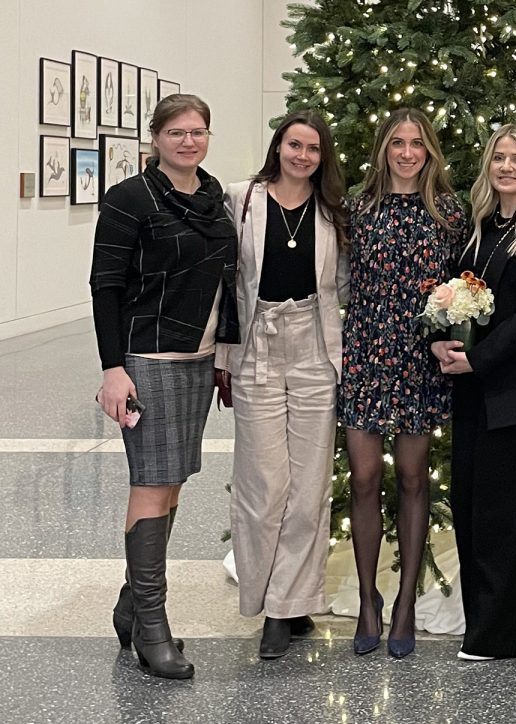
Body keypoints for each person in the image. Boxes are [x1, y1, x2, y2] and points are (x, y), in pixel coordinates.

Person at [90, 94, 237, 679]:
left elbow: (225, 282)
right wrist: (112, 368)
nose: (188, 141)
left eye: (198, 131)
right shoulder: (129, 199)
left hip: (198, 359)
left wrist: (222, 353)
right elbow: (104, 286)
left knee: (173, 482)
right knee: (151, 484)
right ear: (155, 138)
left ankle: (131, 604)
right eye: (176, 132)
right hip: (146, 358)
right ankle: (153, 624)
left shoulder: (212, 195)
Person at [430, 124, 516, 661]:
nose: (506, 167)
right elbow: (451, 295)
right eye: (499, 158)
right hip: (470, 391)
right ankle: (479, 627)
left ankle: (500, 636)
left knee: (506, 517)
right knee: (469, 507)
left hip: (514, 392)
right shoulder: (478, 226)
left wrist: (478, 359)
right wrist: (443, 341)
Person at [216, 110, 349, 660]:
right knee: (262, 485)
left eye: (313, 148)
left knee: (309, 484)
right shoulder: (240, 198)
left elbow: (342, 286)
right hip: (256, 350)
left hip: (315, 350)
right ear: (279, 147)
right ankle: (264, 594)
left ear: (323, 156)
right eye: (294, 144)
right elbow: (224, 284)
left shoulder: (332, 212)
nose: (302, 155)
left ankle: (287, 608)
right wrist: (221, 358)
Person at [339, 108, 467, 659]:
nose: (407, 152)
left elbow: (466, 286)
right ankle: (368, 599)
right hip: (366, 351)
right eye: (397, 142)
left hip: (419, 356)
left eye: (417, 143)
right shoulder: (356, 208)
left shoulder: (449, 212)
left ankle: (405, 605)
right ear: (383, 148)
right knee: (364, 477)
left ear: (430, 150)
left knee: (414, 477)